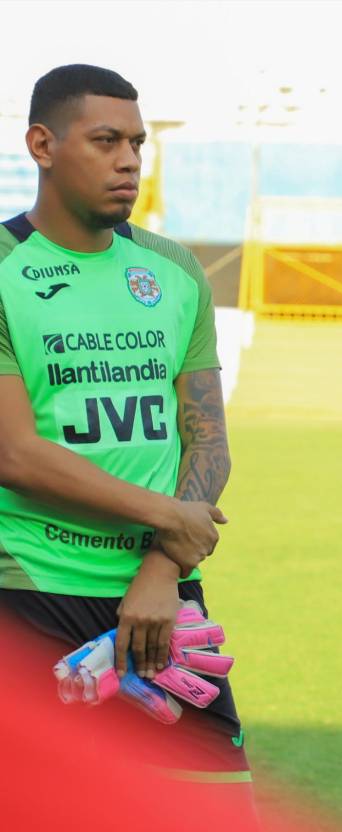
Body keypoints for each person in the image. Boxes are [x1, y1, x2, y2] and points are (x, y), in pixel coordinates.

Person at [0, 64, 250, 787]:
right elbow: (14, 452)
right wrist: (169, 518)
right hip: (31, 593)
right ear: (42, 145)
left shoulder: (172, 270)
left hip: (162, 597)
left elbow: (207, 436)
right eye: (105, 140)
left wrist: (162, 567)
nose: (129, 161)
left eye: (137, 143)